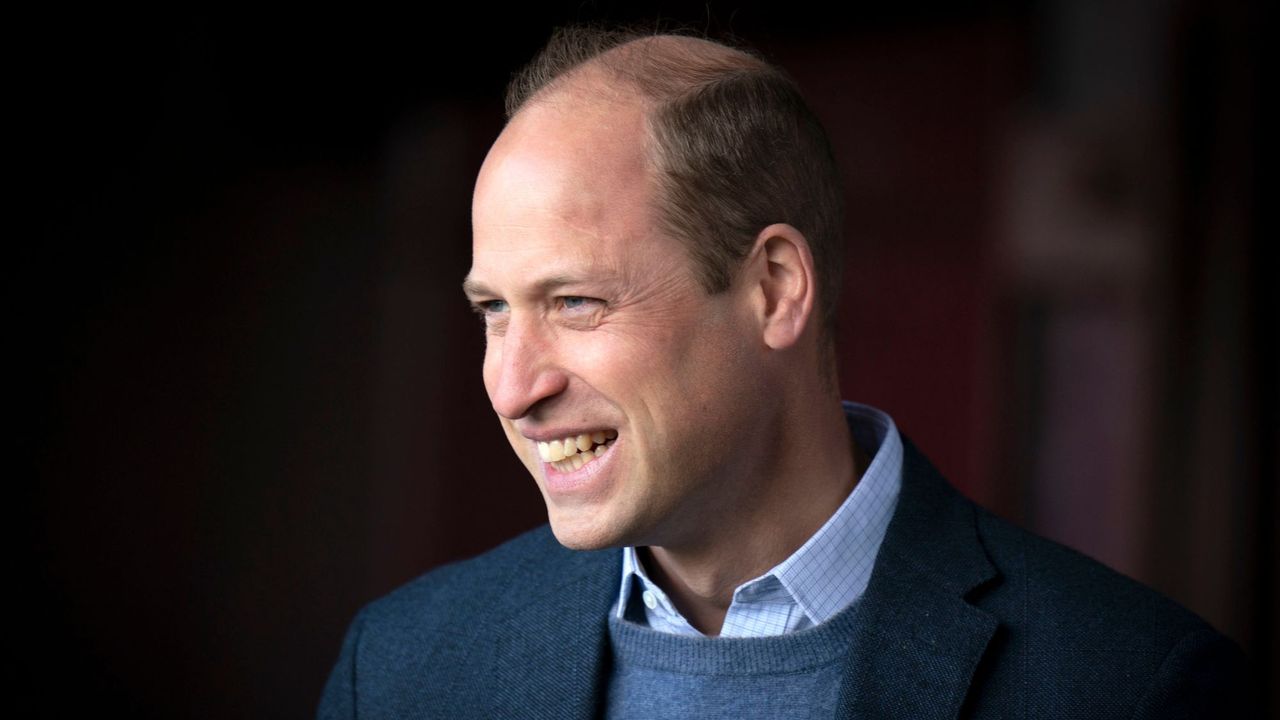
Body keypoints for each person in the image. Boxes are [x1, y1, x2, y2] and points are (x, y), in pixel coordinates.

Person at [318, 27, 1251, 719]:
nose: (515, 388)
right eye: (493, 311)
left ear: (773, 289)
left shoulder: (1130, 687)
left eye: (576, 303)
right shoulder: (398, 670)